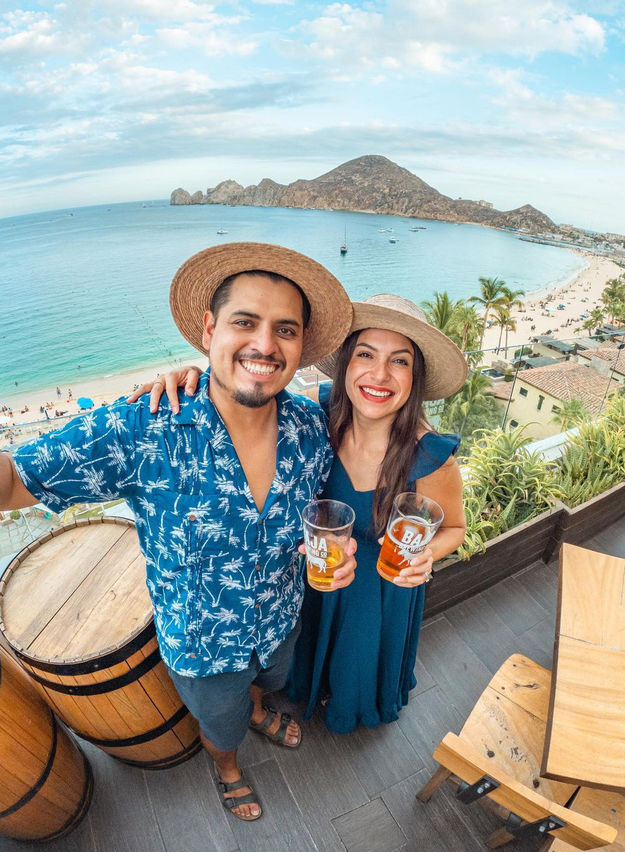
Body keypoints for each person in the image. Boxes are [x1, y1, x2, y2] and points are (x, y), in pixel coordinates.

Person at [0, 242, 358, 822]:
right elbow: (15, 482)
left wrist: (338, 558)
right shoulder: (143, 427)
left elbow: (339, 483)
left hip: (281, 617)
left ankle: (261, 708)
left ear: (298, 347)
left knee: (270, 680)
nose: (265, 345)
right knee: (220, 725)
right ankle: (228, 769)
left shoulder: (310, 426)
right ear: (209, 328)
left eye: (284, 331)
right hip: (203, 646)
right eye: (245, 322)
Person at [137, 293, 467, 736]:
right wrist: (191, 376)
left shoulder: (431, 457)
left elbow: (454, 528)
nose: (380, 374)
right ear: (347, 363)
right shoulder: (316, 414)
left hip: (382, 590)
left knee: (358, 659)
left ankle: (348, 702)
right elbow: (246, 398)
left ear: (415, 378)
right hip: (314, 577)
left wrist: (427, 556)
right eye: (365, 354)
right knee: (304, 648)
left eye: (400, 361)